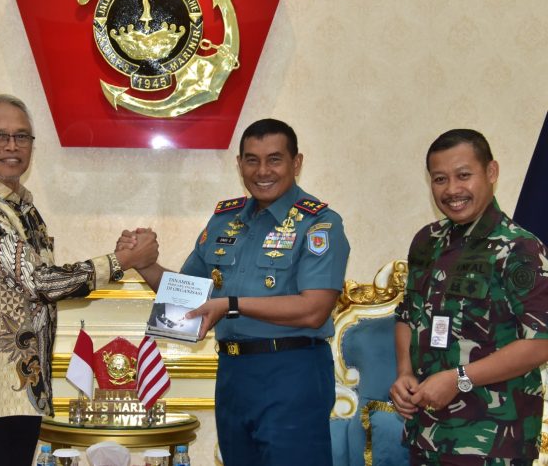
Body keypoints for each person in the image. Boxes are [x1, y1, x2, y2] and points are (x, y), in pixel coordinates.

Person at [0, 94, 158, 466]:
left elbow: (42, 285)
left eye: (22, 136)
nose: (12, 146)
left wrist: (121, 259)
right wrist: (122, 261)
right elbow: (40, 283)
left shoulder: (22, 208)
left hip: (17, 393)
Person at [120, 118, 350, 465]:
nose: (262, 171)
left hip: (292, 372)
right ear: (240, 164)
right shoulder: (225, 220)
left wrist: (230, 305)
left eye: (274, 159)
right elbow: (188, 298)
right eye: (252, 160)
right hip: (233, 373)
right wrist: (144, 263)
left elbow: (314, 309)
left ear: (296, 163)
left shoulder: (319, 224)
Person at [389, 129, 548, 466]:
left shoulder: (519, 248)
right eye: (440, 179)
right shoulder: (426, 241)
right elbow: (407, 315)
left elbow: (541, 343)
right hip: (427, 432)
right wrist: (404, 372)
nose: (452, 190)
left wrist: (459, 379)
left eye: (463, 175)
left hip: (493, 440)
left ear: (491, 172)